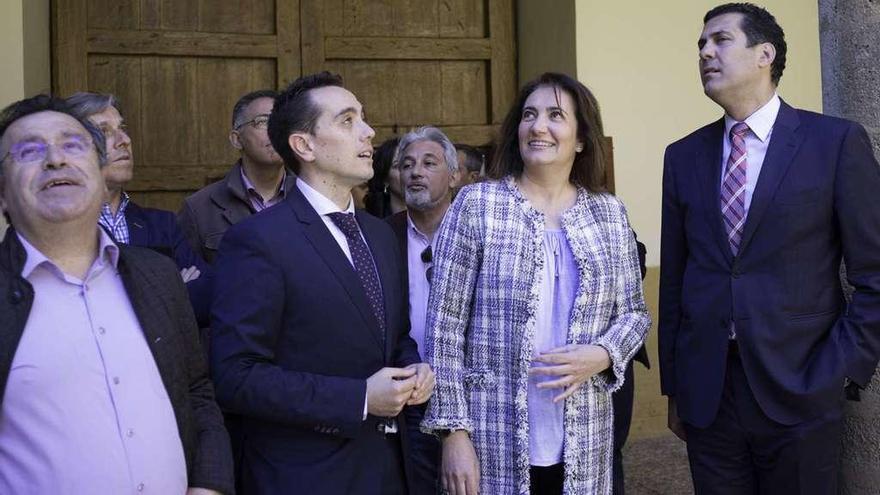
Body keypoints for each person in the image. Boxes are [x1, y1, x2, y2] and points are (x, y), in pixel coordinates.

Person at [659, 4, 880, 494]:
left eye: (719, 40)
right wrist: (675, 386)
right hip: (709, 396)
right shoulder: (683, 156)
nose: (704, 53)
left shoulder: (834, 143)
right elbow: (676, 278)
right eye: (700, 45)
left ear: (765, 54)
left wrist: (839, 369)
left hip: (801, 387)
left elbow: (875, 273)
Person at [422, 72, 650, 494]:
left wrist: (603, 353)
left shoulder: (609, 213)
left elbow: (634, 314)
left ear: (581, 138)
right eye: (529, 115)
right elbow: (443, 327)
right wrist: (453, 433)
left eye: (555, 115)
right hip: (492, 434)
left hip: (585, 433)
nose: (538, 126)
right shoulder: (478, 206)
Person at [210, 72, 435, 495]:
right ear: (304, 145)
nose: (369, 132)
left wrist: (414, 369)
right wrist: (359, 398)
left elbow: (394, 336)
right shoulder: (259, 240)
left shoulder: (381, 234)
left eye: (363, 119)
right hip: (305, 476)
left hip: (391, 471)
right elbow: (236, 376)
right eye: (348, 121)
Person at [0, 95, 234, 494]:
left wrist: (209, 484)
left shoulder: (156, 276)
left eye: (73, 145)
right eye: (28, 151)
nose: (55, 160)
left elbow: (197, 391)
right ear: (3, 194)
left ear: (98, 168)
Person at [65, 92, 213, 326]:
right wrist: (171, 289)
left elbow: (207, 298)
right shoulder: (63, 229)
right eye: (104, 131)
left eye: (122, 128)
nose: (124, 139)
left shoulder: (163, 224)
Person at [387, 126, 461, 493]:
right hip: (409, 396)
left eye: (429, 163)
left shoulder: (477, 232)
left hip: (471, 392)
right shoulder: (381, 236)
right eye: (407, 164)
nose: (415, 171)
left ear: (453, 175)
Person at [178, 89, 295, 264]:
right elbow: (190, 281)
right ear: (236, 139)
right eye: (263, 122)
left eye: (282, 122)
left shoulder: (310, 195)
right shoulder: (199, 208)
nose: (277, 131)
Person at [365, 137, 405, 217]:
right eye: (397, 166)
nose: (412, 172)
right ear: (385, 178)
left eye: (410, 165)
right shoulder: (367, 223)